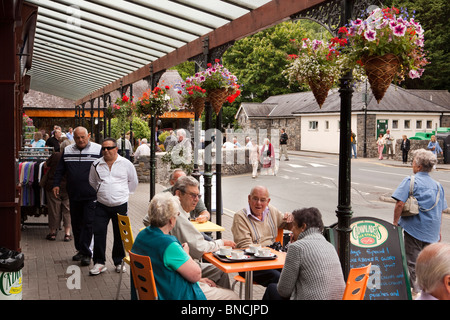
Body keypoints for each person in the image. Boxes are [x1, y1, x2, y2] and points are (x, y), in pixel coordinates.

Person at [133, 192, 239, 300]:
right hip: (176, 295)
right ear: (171, 219)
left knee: (213, 284)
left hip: (158, 291)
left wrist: (199, 281)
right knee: (232, 296)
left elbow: (166, 272)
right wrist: (186, 254)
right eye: (177, 215)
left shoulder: (141, 236)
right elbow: (196, 275)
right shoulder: (168, 245)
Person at [159, 176, 236, 290]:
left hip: (169, 270)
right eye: (193, 195)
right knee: (227, 288)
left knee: (218, 270)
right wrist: (221, 242)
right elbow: (199, 248)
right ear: (178, 194)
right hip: (175, 278)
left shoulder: (147, 235)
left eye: (198, 196)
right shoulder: (177, 215)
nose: (196, 199)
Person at [392, 149, 448, 294]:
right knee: (430, 263)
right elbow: (440, 209)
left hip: (414, 229)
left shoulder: (411, 181)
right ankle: (430, 291)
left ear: (418, 166)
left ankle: (418, 293)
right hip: (432, 231)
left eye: (414, 161)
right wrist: (439, 231)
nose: (412, 164)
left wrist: (395, 222)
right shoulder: (438, 186)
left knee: (413, 262)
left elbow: (399, 203)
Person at [263, 207, 345, 300]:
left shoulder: (297, 247)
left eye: (294, 225)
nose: (292, 230)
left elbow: (283, 290)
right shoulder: (329, 246)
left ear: (303, 227)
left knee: (271, 288)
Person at [53, 126, 102, 266]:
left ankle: (87, 253)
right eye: (77, 138)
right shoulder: (67, 150)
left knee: (88, 223)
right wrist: (56, 184)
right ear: (73, 138)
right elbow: (60, 169)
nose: (80, 140)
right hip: (73, 194)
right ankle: (80, 249)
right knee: (76, 223)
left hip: (91, 194)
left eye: (83, 137)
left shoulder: (98, 149)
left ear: (89, 136)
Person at [88, 138, 138, 275]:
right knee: (99, 232)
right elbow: (92, 181)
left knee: (120, 234)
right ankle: (99, 263)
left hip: (120, 205)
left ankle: (119, 261)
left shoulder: (126, 164)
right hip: (101, 205)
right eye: (103, 148)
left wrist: (122, 193)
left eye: (109, 148)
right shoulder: (96, 164)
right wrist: (103, 191)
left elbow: (133, 182)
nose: (105, 151)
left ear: (116, 149)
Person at [231, 185, 293, 286]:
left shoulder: (272, 211)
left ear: (268, 201)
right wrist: (271, 252)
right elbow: (246, 246)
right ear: (249, 199)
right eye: (255, 199)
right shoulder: (240, 217)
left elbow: (290, 225)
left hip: (273, 259)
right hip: (250, 263)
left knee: (294, 275)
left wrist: (291, 218)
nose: (259, 203)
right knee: (281, 280)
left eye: (262, 200)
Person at [43, 146, 71, 242]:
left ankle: (53, 233)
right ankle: (67, 234)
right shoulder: (72, 157)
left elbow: (45, 165)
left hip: (53, 185)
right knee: (67, 210)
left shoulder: (55, 155)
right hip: (67, 187)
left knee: (54, 210)